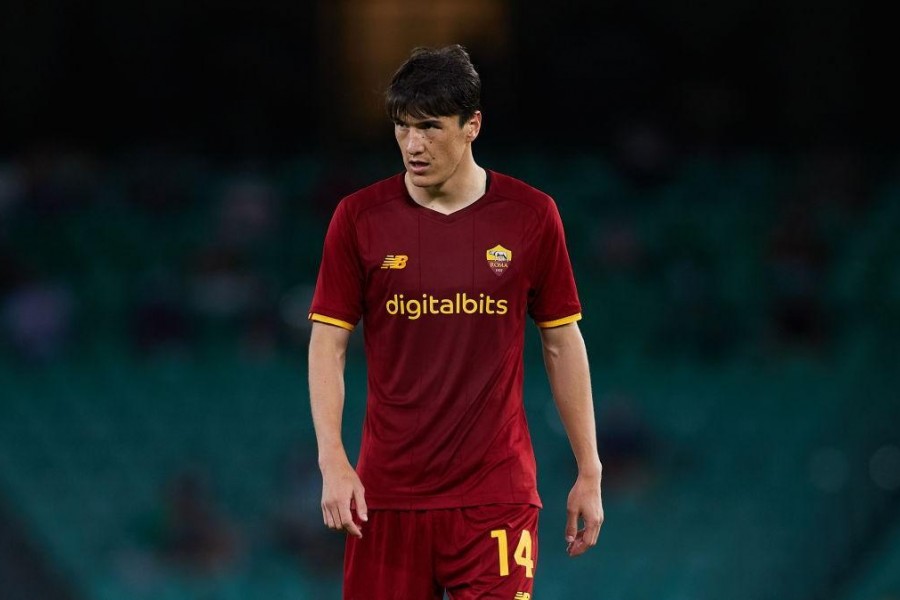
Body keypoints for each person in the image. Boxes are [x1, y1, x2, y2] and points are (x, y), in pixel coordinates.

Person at [308, 44, 604, 599]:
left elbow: (563, 341)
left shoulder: (531, 216)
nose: (412, 146)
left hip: (495, 496)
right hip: (387, 497)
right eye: (401, 128)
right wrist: (333, 460)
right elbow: (328, 343)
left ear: (473, 125)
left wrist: (589, 468)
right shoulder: (358, 218)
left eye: (429, 127)